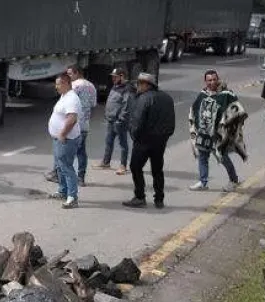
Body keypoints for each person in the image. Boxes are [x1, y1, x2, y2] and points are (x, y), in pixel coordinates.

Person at [123, 73, 176, 209]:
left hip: (144, 140)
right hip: (160, 140)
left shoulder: (143, 98)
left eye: (139, 84)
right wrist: (165, 136)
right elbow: (171, 122)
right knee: (157, 169)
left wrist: (135, 136)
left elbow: (137, 121)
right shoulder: (167, 97)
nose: (137, 86)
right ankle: (159, 199)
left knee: (135, 167)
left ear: (147, 85)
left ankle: (140, 196)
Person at [188, 70, 245, 192]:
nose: (212, 82)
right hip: (204, 134)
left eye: (214, 79)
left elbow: (237, 110)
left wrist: (228, 126)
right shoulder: (203, 94)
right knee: (203, 157)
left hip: (218, 135)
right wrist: (197, 127)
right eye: (209, 80)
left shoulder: (226, 94)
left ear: (218, 79)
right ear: (205, 81)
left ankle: (234, 180)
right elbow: (195, 109)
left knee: (223, 158)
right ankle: (203, 182)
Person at [46, 65, 96, 185]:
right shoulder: (91, 86)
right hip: (85, 125)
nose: (68, 76)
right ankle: (81, 177)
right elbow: (93, 106)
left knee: (62, 155)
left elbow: (68, 109)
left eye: (70, 74)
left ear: (77, 73)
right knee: (81, 152)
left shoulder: (73, 87)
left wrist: (63, 131)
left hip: (72, 127)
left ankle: (59, 176)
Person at [47, 73, 82, 209]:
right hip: (59, 139)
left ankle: (72, 197)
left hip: (67, 139)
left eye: (58, 84)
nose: (56, 87)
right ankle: (63, 191)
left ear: (67, 83)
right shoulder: (64, 96)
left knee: (66, 167)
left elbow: (71, 119)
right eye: (56, 84)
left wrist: (62, 134)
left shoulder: (72, 99)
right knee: (60, 167)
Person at [98, 68, 133, 174]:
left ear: (122, 76)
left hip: (119, 122)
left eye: (115, 76)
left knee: (123, 144)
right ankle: (106, 162)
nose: (113, 78)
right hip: (111, 120)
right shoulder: (115, 86)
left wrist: (121, 119)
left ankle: (123, 165)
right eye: (112, 76)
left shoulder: (128, 89)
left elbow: (127, 106)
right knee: (108, 142)